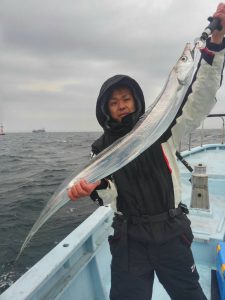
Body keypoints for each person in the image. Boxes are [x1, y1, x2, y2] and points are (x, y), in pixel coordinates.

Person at [68, 4, 225, 300]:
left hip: (171, 232)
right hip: (129, 240)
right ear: (106, 110)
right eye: (114, 102)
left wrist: (216, 46)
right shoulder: (101, 148)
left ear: (136, 100)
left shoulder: (162, 127)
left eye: (126, 98)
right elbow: (107, 197)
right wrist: (94, 187)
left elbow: (201, 97)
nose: (122, 104)